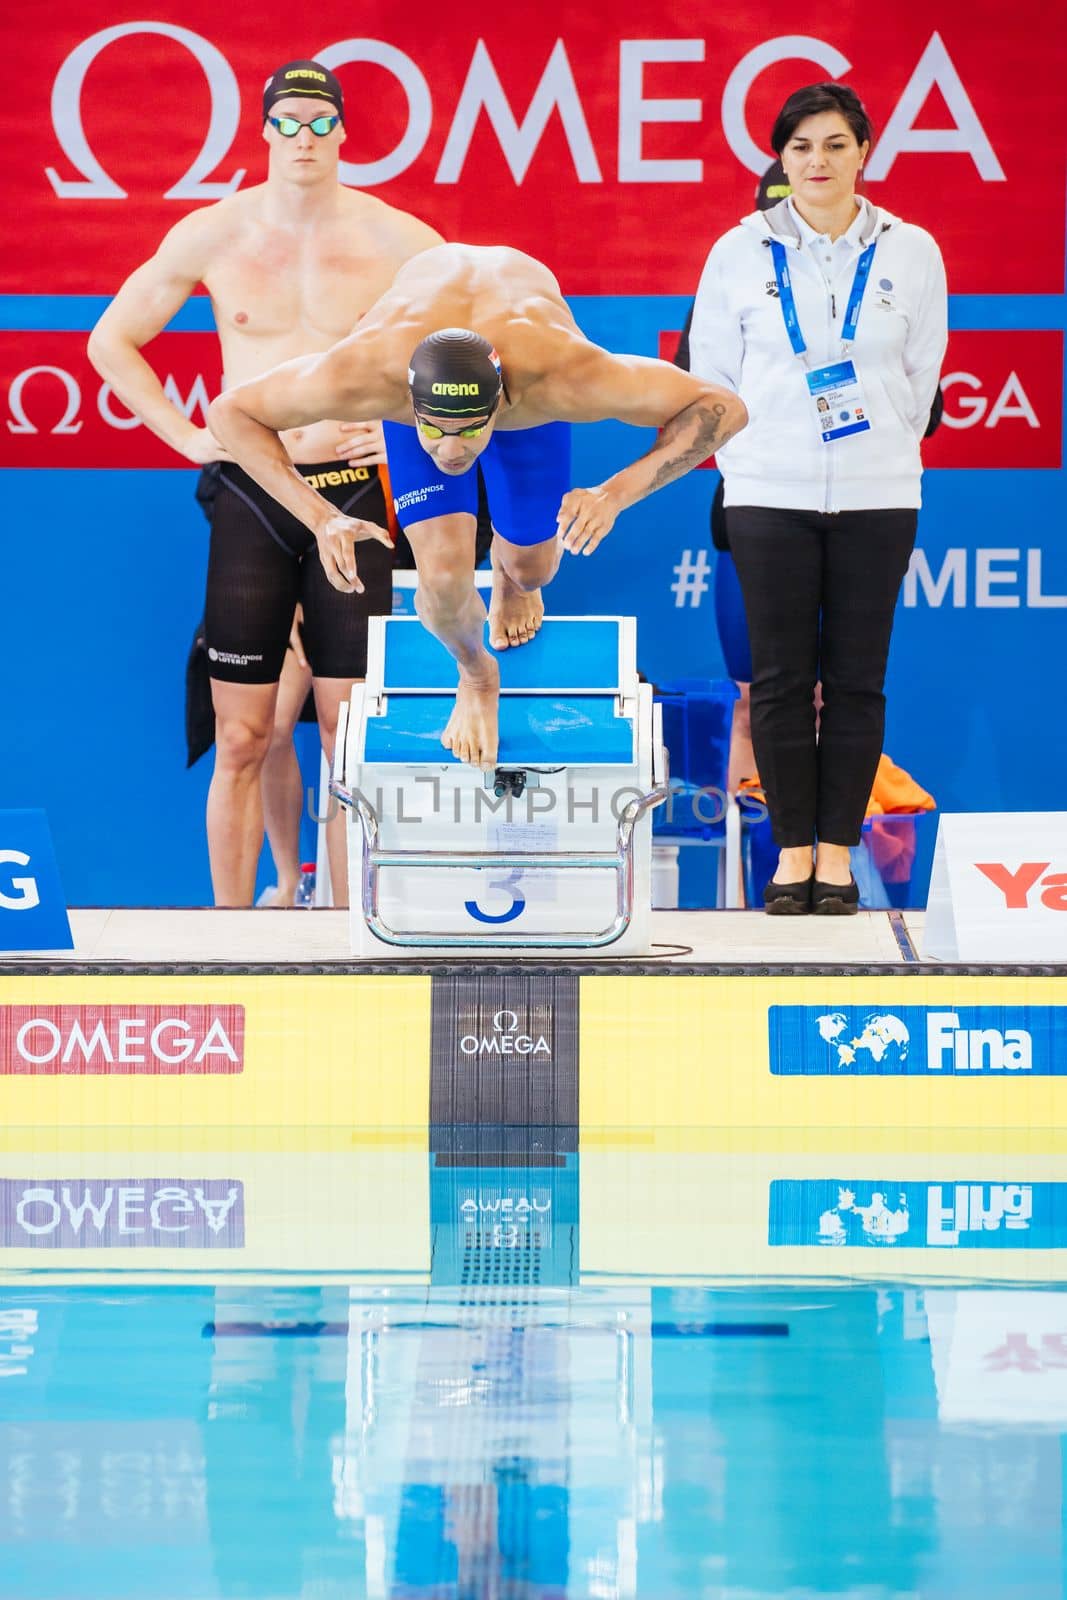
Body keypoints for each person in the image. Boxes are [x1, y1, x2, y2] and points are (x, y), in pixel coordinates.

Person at [88, 59, 443, 907]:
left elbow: (485, 353)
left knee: (347, 735)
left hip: (355, 492)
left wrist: (414, 437)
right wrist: (189, 437)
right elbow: (111, 342)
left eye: (321, 123)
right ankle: (232, 936)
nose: (305, 139)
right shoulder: (215, 230)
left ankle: (358, 932)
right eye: (288, 122)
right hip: (254, 492)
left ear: (345, 132)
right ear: (264, 131)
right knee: (243, 734)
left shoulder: (400, 239)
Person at [207, 243, 748, 771]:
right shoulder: (367, 373)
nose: (451, 450)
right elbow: (231, 413)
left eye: (469, 429)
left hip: (528, 377)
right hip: (416, 360)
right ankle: (476, 675)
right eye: (435, 430)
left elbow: (722, 409)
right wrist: (319, 515)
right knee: (441, 580)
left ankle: (514, 582)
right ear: (408, 404)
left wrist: (614, 493)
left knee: (534, 566)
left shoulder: (562, 376)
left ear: (499, 405)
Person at [688, 82, 947, 914]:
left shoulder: (911, 250)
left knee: (858, 681)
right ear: (780, 158)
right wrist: (760, 457)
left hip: (877, 493)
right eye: (800, 147)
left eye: (834, 144)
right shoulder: (738, 251)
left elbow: (919, 378)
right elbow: (711, 380)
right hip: (765, 492)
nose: (817, 162)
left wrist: (874, 450)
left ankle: (835, 860)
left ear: (862, 152)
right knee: (778, 682)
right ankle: (789, 855)